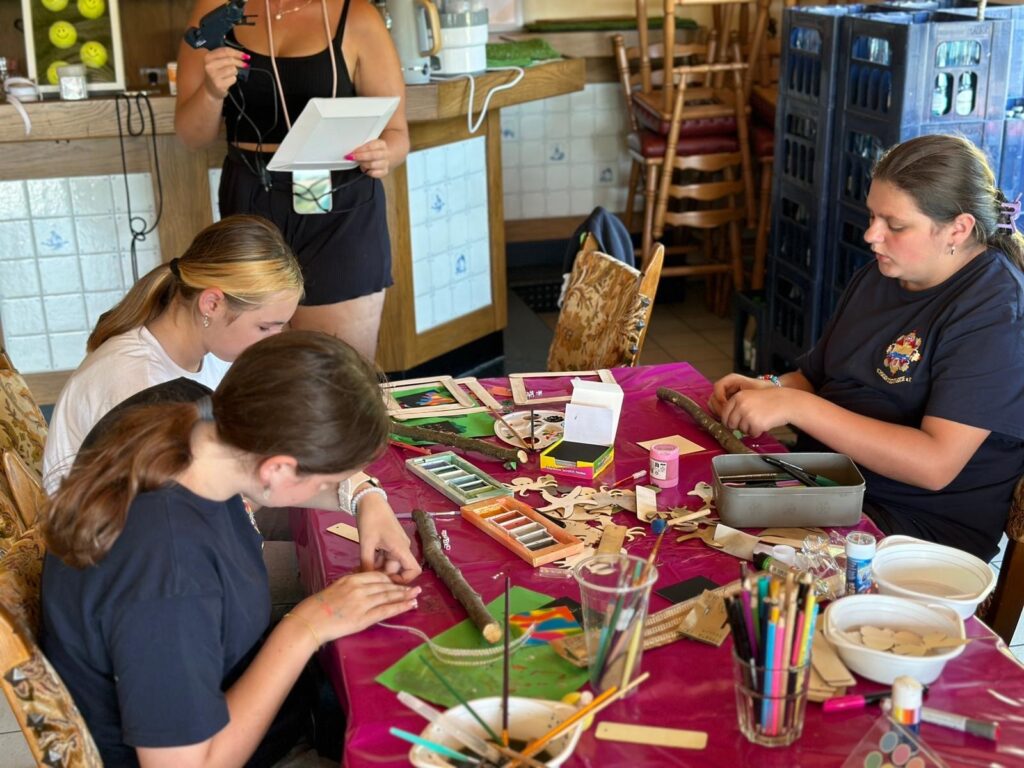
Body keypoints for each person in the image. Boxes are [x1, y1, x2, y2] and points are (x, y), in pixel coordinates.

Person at [41, 331, 422, 767]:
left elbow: (279, 479)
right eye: (329, 480)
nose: (330, 489)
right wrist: (306, 627)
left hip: (220, 679)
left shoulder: (188, 411)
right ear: (278, 468)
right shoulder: (171, 572)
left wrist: (366, 499)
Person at [710, 135, 1024, 562]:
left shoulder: (995, 312)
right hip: (829, 485)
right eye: (873, 215)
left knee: (737, 572)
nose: (871, 235)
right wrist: (765, 388)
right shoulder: (885, 272)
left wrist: (796, 407)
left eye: (895, 225)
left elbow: (935, 464)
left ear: (959, 228)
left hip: (913, 527)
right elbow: (815, 378)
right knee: (693, 515)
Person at [174, 0, 409, 361]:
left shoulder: (357, 15)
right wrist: (210, 91)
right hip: (252, 200)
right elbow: (191, 136)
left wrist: (383, 154)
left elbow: (397, 135)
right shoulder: (216, 11)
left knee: (340, 369)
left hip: (339, 205)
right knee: (265, 369)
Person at [42, 215, 304, 492]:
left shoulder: (212, 351)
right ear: (212, 304)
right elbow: (167, 505)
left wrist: (353, 491)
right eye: (264, 327)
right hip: (117, 528)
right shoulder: (138, 381)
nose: (273, 340)